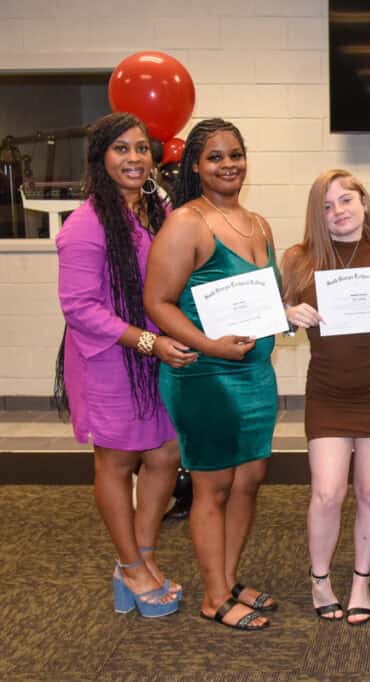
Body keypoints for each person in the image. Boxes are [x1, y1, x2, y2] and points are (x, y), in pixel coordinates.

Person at [55, 112, 195, 618]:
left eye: (141, 149)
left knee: (164, 454)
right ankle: (130, 565)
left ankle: (143, 556)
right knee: (116, 462)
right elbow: (79, 307)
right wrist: (146, 342)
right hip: (110, 359)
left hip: (154, 354)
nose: (134, 159)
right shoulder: (85, 225)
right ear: (101, 158)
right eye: (121, 149)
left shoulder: (159, 209)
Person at [144, 118, 280, 631]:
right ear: (195, 166)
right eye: (216, 157)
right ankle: (214, 596)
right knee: (213, 486)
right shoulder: (186, 223)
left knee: (250, 480)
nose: (229, 165)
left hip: (255, 376)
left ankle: (229, 578)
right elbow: (156, 302)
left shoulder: (259, 224)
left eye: (236, 154)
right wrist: (210, 347)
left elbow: (264, 298)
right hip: (205, 376)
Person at [281, 169, 370, 623]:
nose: (338, 212)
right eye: (326, 206)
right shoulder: (299, 260)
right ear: (316, 215)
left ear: (364, 203)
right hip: (327, 391)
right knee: (326, 492)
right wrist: (288, 313)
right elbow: (275, 318)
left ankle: (361, 581)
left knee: (369, 490)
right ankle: (320, 579)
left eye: (346, 200)